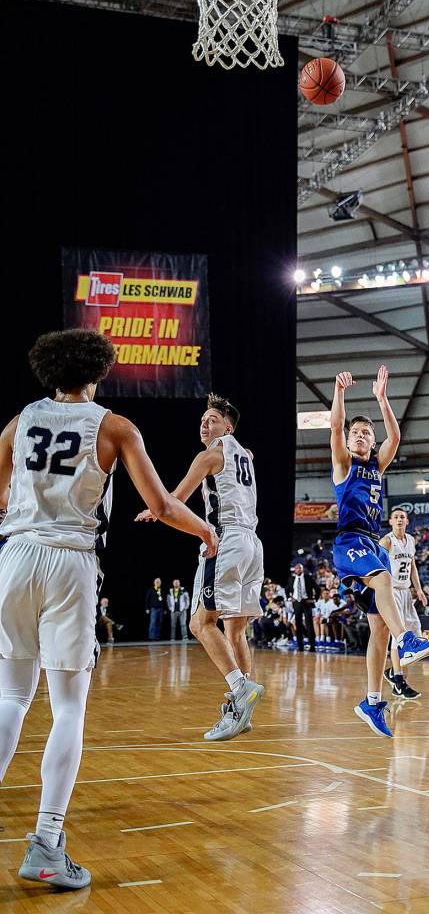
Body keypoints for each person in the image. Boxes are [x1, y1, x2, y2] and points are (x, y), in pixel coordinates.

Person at [0, 328, 218, 890]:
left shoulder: (19, 422)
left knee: (10, 696)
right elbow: (163, 504)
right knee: (67, 704)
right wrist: (204, 530)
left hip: (15, 555)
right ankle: (46, 842)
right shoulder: (115, 427)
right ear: (98, 371)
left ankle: (46, 840)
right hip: (69, 561)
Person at [136, 393, 265, 742]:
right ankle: (243, 712)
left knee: (200, 623)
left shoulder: (210, 455)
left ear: (228, 425)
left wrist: (155, 509)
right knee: (236, 630)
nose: (204, 423)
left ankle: (240, 689)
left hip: (226, 541)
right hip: (254, 545)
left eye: (212, 419)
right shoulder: (247, 456)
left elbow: (176, 497)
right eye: (202, 420)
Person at [330, 367, 429, 738]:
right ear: (348, 441)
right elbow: (335, 426)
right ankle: (407, 638)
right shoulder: (343, 465)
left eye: (366, 433)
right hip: (349, 541)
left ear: (372, 443)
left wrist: (381, 398)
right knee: (385, 579)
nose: (359, 435)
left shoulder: (377, 464)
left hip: (370, 541)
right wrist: (339, 393)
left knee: (378, 628)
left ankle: (372, 701)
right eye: (355, 433)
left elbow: (396, 435)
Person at [380, 508, 427, 700]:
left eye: (402, 517)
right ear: (390, 521)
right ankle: (398, 681)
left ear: (407, 521)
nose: (399, 519)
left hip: (406, 592)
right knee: (398, 636)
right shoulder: (386, 541)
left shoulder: (411, 540)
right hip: (391, 592)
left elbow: (412, 566)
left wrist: (419, 589)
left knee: (415, 632)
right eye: (396, 517)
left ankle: (393, 671)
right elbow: (377, 566)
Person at [286, 563, 319, 651]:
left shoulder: (308, 577)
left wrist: (314, 599)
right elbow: (287, 589)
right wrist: (289, 598)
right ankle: (300, 646)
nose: (298, 570)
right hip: (296, 603)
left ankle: (312, 646)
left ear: (302, 569)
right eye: (296, 568)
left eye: (300, 568)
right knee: (298, 625)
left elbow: (317, 588)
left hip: (306, 602)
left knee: (309, 625)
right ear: (295, 570)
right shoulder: (292, 579)